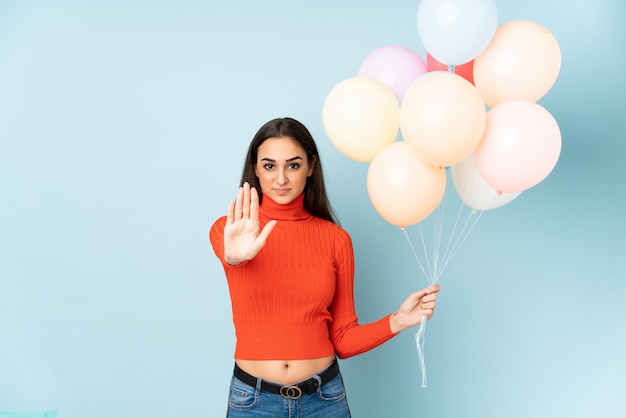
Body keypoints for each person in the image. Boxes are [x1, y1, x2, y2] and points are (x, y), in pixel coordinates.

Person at [209, 117, 440, 417]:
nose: (281, 178)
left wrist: (397, 321)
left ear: (311, 166)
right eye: (269, 166)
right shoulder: (228, 231)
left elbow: (342, 340)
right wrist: (235, 256)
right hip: (254, 402)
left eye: (293, 165)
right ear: (255, 168)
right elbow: (229, 253)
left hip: (324, 400)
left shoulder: (336, 239)